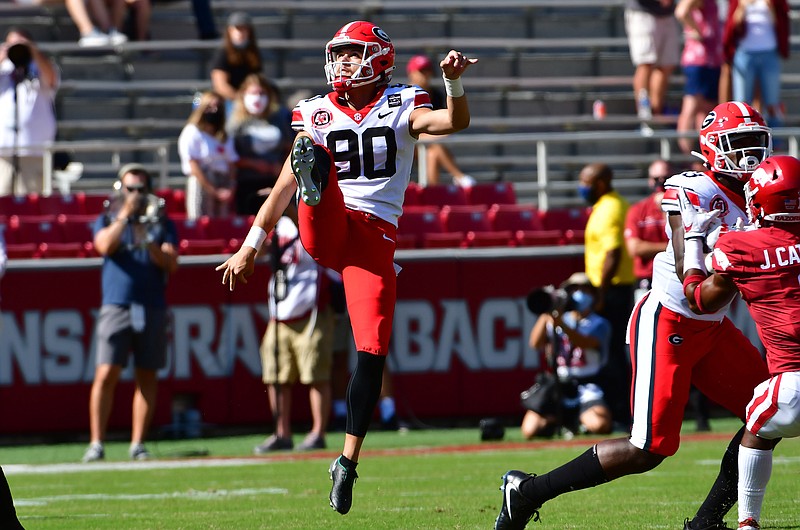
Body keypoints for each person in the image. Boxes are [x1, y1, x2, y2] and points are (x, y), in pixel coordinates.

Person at [216, 20, 476, 514]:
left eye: (354, 54)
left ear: (379, 59)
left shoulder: (404, 103)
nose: (343, 64)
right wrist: (250, 245)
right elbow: (279, 193)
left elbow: (455, 123)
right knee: (309, 163)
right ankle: (318, 179)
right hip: (330, 223)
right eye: (339, 55)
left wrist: (453, 83)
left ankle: (347, 462)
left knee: (373, 351)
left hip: (374, 241)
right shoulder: (315, 111)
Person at [494, 101, 772, 530]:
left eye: (757, 143)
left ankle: (706, 521)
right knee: (650, 448)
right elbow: (695, 284)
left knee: (767, 414)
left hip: (713, 328)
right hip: (671, 320)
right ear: (714, 147)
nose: (751, 156)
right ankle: (526, 492)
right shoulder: (694, 188)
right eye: (741, 144)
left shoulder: (763, 193)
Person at [679, 154, 800, 530]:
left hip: (792, 383)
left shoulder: (741, 246)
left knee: (756, 429)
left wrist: (696, 238)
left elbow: (698, 297)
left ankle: (748, 522)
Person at [82, 164, 179, 463]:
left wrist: (146, 235)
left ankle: (138, 443)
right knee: (106, 372)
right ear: (121, 191)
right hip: (117, 303)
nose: (136, 195)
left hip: (150, 304)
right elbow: (103, 246)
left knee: (146, 374)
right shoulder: (108, 218)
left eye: (141, 189)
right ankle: (97, 442)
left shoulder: (162, 222)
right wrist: (125, 218)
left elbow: (171, 263)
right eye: (130, 189)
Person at [625, 160, 712, 432]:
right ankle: (646, 419)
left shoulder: (689, 201)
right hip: (651, 287)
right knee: (649, 356)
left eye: (664, 178)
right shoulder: (639, 210)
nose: (659, 184)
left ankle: (699, 417)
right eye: (655, 179)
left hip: (687, 285)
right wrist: (673, 247)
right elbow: (634, 248)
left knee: (698, 351)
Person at [253, 198, 339, 453]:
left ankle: (318, 432)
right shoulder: (279, 228)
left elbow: (312, 238)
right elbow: (262, 256)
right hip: (280, 312)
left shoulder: (310, 221)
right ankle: (282, 432)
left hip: (311, 310)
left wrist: (285, 209)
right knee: (276, 376)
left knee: (316, 374)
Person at [520, 273, 613, 439]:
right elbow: (535, 343)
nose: (579, 294)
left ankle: (577, 421)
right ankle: (562, 421)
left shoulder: (600, 323)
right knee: (529, 430)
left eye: (585, 289)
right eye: (574, 289)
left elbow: (583, 342)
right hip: (559, 385)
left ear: (593, 295)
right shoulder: (556, 319)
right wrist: (547, 310)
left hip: (587, 385)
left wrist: (560, 323)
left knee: (600, 424)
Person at [578, 163, 635, 428]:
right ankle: (617, 412)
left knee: (611, 356)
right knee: (608, 354)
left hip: (612, 290)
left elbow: (613, 253)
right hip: (607, 288)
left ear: (600, 183)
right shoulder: (605, 205)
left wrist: (600, 293)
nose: (583, 187)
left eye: (586, 181)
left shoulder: (611, 207)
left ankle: (621, 413)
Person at [0, 28, 58, 196]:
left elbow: (52, 79)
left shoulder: (40, 66)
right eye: (12, 44)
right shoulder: (3, 67)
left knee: (30, 204)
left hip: (34, 149)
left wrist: (33, 53)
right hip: (3, 151)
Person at [228, 74, 293, 216]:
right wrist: (255, 164)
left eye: (261, 93)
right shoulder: (235, 122)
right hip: (247, 183)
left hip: (276, 181)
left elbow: (290, 147)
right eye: (253, 93)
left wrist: (282, 167)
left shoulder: (280, 117)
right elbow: (229, 155)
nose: (257, 98)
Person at [406, 54, 474, 188]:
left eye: (427, 71)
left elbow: (445, 123)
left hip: (428, 143)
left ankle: (433, 195)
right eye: (421, 71)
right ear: (411, 74)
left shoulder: (435, 95)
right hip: (409, 143)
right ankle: (459, 176)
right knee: (435, 145)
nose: (425, 75)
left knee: (433, 154)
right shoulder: (406, 96)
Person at [722, 0, 790, 129]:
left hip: (769, 52)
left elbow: (781, 23)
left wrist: (771, 8)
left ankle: (776, 141)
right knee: (742, 103)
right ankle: (742, 138)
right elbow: (733, 25)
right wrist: (742, 8)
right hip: (745, 53)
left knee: (772, 101)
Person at [178, 91, 238, 219]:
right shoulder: (192, 132)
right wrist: (212, 190)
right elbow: (193, 164)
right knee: (200, 219)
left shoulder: (223, 135)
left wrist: (230, 186)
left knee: (223, 222)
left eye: (218, 107)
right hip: (202, 180)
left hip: (223, 181)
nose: (214, 111)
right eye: (209, 107)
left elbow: (231, 162)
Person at [675, 0, 722, 155]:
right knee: (691, 106)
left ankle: (703, 154)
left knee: (707, 110)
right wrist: (697, 30)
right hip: (699, 60)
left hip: (711, 59)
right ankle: (686, 154)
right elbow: (681, 11)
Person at [623, 0, 681, 120]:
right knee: (646, 63)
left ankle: (656, 114)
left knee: (666, 65)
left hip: (667, 13)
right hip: (643, 13)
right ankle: (644, 115)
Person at [210, 12, 263, 112]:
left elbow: (257, 81)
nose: (240, 33)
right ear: (230, 31)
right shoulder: (223, 53)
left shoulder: (253, 53)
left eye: (244, 29)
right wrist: (240, 99)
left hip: (249, 99)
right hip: (229, 101)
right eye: (237, 29)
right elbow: (220, 85)